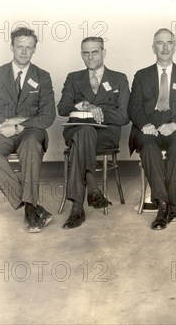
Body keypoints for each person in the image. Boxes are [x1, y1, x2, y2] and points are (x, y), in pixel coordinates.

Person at [0, 27, 56, 233]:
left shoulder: (43, 76)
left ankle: (30, 211)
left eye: (29, 47)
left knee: (31, 145)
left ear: (34, 49)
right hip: (0, 132)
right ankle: (32, 206)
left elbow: (48, 116)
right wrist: (7, 122)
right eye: (19, 46)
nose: (23, 51)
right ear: (12, 47)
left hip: (29, 131)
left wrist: (20, 126)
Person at [128, 28, 176, 230]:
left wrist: (175, 124)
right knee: (149, 148)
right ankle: (166, 205)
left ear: (175, 47)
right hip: (149, 128)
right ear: (153, 47)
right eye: (160, 43)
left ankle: (169, 204)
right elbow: (133, 107)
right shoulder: (141, 76)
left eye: (169, 42)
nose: (165, 47)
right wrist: (145, 125)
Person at [57, 37, 130, 229]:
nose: (90, 57)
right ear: (81, 54)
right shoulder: (74, 77)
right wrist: (85, 105)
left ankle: (77, 207)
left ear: (104, 53)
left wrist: (101, 111)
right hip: (77, 131)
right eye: (85, 53)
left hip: (105, 134)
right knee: (84, 132)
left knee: (82, 138)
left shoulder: (119, 78)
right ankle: (93, 190)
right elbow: (62, 108)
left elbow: (124, 116)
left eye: (94, 52)